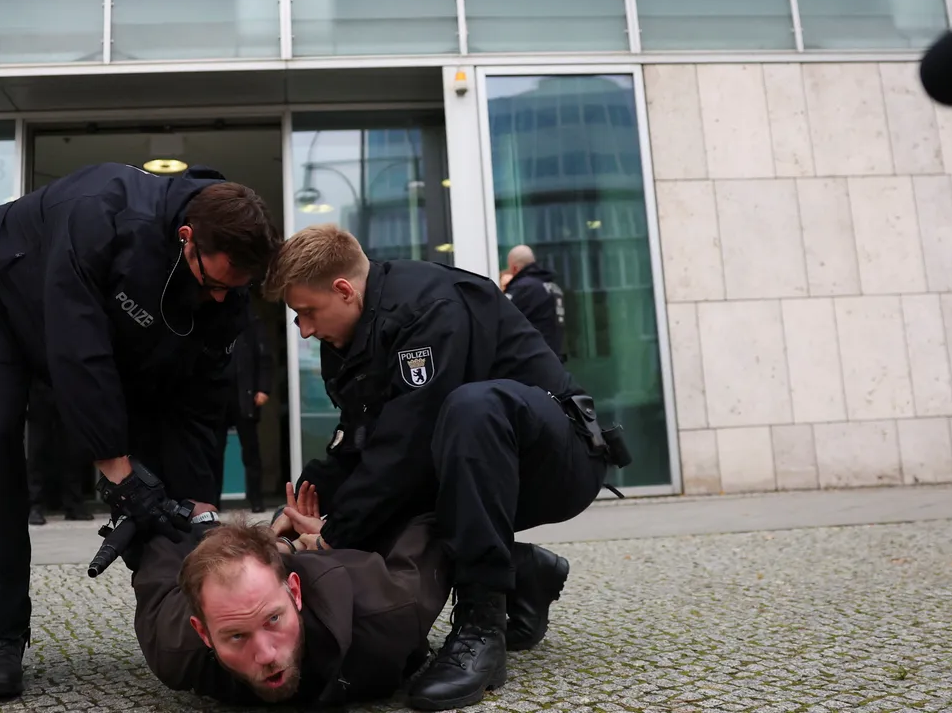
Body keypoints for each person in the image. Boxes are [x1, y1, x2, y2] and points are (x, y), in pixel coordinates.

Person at [0, 163, 280, 700]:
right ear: (186, 237)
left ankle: (197, 626)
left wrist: (199, 505)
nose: (222, 298)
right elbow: (78, 352)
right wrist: (118, 470)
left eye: (235, 289)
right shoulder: (100, 213)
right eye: (214, 283)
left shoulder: (227, 283)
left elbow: (200, 399)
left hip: (105, 334)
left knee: (164, 500)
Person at [265, 225, 629, 711]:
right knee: (401, 483)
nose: (305, 329)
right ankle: (521, 572)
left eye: (307, 312)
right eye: (296, 318)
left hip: (557, 462)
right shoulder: (349, 340)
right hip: (483, 464)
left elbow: (408, 445)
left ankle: (482, 628)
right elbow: (359, 442)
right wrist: (306, 505)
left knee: (467, 409)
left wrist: (337, 533)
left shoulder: (429, 307)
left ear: (344, 289)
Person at [132, 494, 450, 706]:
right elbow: (158, 561)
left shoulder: (388, 613)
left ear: (294, 592)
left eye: (273, 619)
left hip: (339, 563)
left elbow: (430, 518)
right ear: (204, 634)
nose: (266, 655)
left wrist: (338, 533)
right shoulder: (175, 650)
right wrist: (189, 518)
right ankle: (276, 542)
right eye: (236, 635)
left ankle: (287, 544)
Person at [211, 308, 272, 513]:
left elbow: (264, 358)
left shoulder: (252, 322)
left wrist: (263, 388)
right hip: (219, 398)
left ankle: (256, 499)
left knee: (251, 452)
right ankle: (212, 501)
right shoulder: (213, 319)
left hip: (244, 397)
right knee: (214, 452)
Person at [25, 378, 94, 524]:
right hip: (40, 381)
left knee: (73, 446)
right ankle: (35, 504)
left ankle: (73, 503)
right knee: (39, 446)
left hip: (68, 381)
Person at [501, 245, 565, 360]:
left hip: (533, 361)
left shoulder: (524, 288)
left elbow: (499, 319)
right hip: (554, 358)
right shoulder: (552, 287)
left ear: (515, 268)